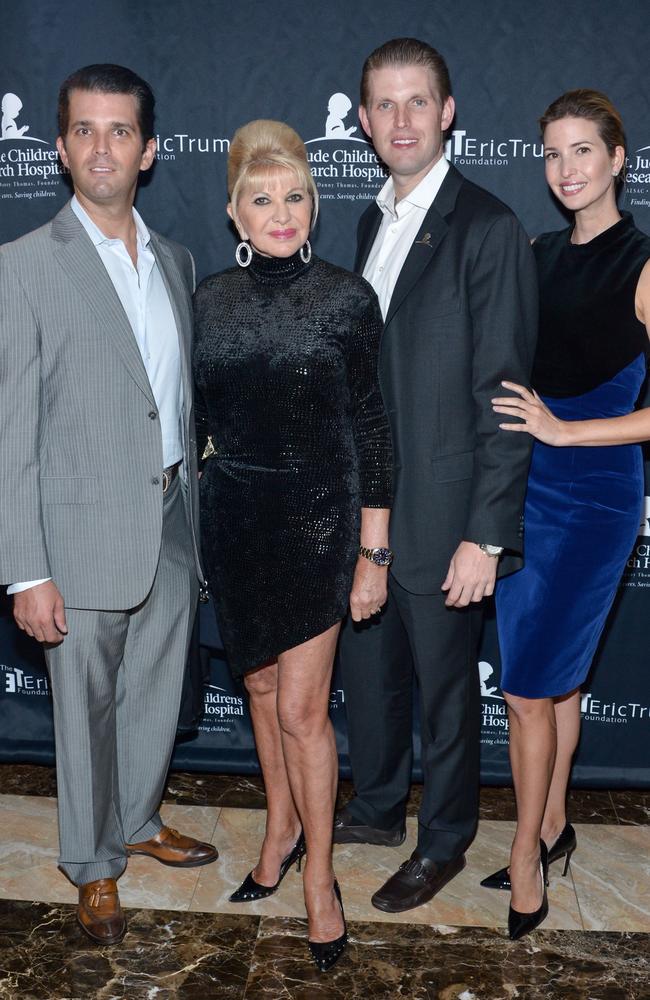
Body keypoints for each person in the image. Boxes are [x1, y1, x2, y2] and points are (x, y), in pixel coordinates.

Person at [0, 64, 217, 946]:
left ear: (149, 150)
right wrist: (27, 567)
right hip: (76, 531)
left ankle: (134, 819)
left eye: (119, 131)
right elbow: (12, 429)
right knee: (84, 708)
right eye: (84, 130)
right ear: (60, 149)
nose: (102, 146)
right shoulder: (22, 267)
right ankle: (92, 865)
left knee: (155, 691)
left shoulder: (178, 259)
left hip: (170, 517)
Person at [335, 37, 538, 914]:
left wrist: (485, 534)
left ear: (448, 113)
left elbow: (504, 395)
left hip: (449, 515)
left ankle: (445, 839)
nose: (401, 120)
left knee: (450, 699)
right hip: (371, 513)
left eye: (418, 101)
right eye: (384, 104)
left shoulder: (487, 226)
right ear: (366, 121)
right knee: (373, 679)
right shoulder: (369, 220)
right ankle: (377, 807)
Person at [193, 119, 392, 971]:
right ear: (235, 213)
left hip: (320, 520)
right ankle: (277, 829)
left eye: (295, 196)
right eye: (261, 199)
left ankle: (319, 876)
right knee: (262, 686)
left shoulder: (350, 298)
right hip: (237, 519)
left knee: (305, 709)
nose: (280, 213)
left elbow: (375, 428)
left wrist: (372, 548)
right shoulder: (206, 300)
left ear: (315, 204)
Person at [483, 89, 650, 939]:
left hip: (593, 499)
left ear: (618, 159)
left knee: (526, 688)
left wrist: (564, 426)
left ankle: (522, 857)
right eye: (552, 153)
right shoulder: (538, 252)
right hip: (524, 489)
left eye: (582, 150)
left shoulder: (645, 262)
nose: (566, 169)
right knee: (555, 684)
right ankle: (550, 826)